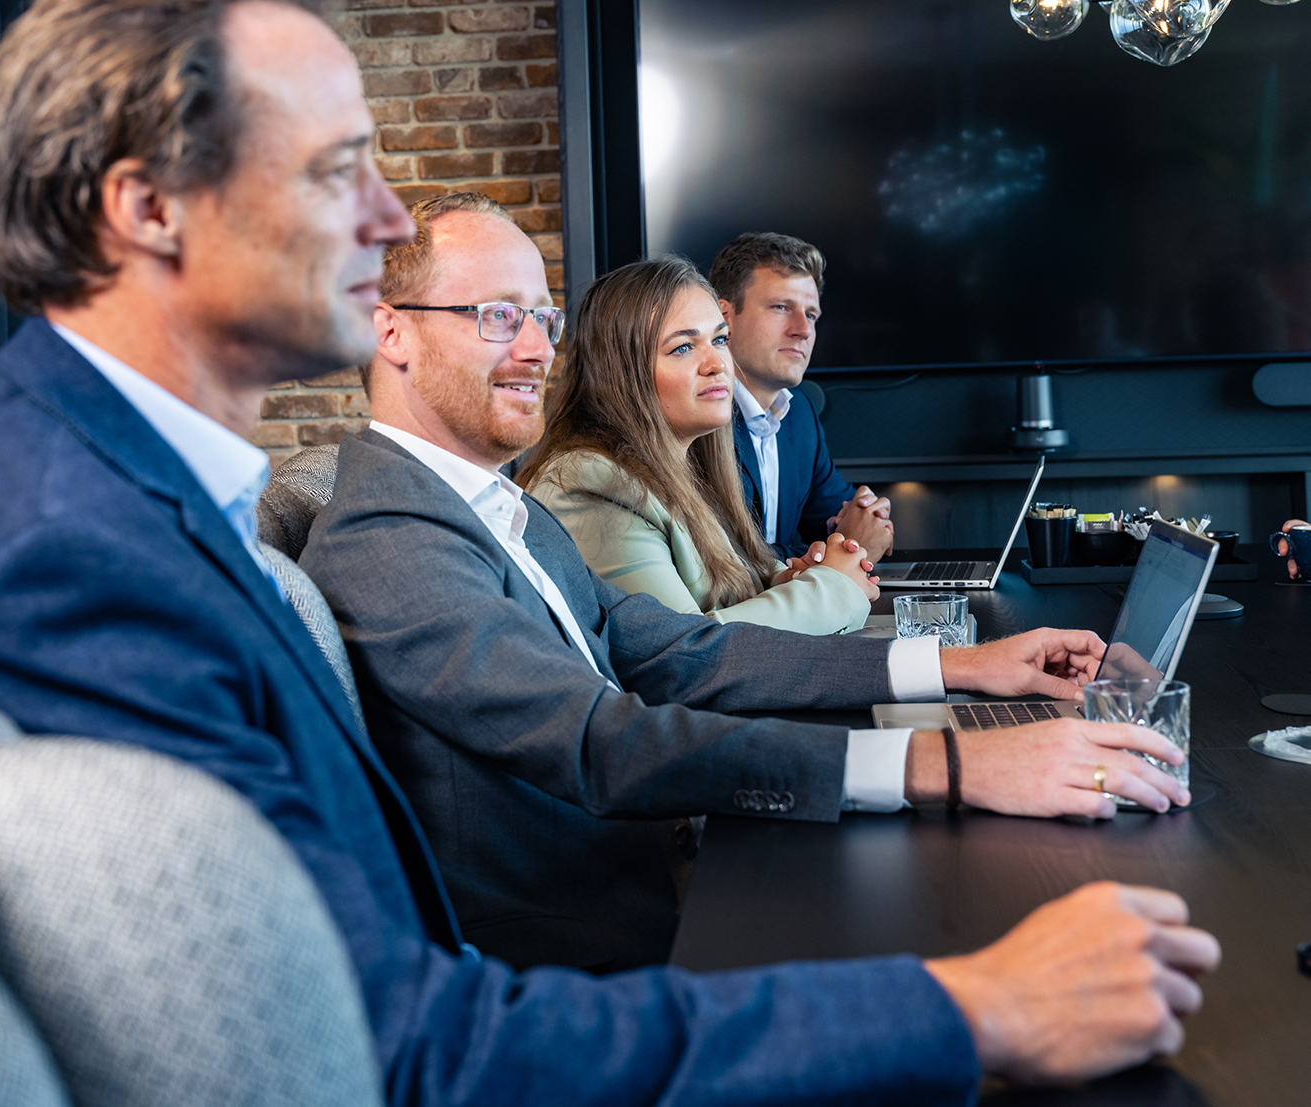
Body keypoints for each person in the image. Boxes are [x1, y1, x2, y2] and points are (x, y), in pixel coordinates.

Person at [0, 3, 1219, 1102]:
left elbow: (661, 650)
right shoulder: (73, 554)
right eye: (341, 166)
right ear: (146, 207)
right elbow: (388, 1042)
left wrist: (952, 682)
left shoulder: (120, 486)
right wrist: (964, 1003)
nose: (390, 217)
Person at [303, 188, 1197, 969]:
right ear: (393, 333)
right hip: (583, 943)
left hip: (660, 876)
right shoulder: (388, 538)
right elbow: (600, 741)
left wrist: (967, 668)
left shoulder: (500, 506)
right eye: (499, 316)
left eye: (543, 316)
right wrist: (949, 761)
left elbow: (685, 653)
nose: (538, 348)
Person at [518, 256, 877, 637]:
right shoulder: (590, 485)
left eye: (719, 340)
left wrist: (797, 577)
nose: (718, 364)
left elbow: (741, 593)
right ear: (622, 373)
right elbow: (681, 651)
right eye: (683, 348)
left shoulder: (694, 469)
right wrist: (833, 588)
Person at [710, 232, 896, 562]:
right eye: (782, 307)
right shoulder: (699, 414)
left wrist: (868, 519)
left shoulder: (800, 413)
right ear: (725, 319)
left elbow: (839, 521)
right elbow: (726, 562)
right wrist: (847, 546)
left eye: (811, 314)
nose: (803, 330)